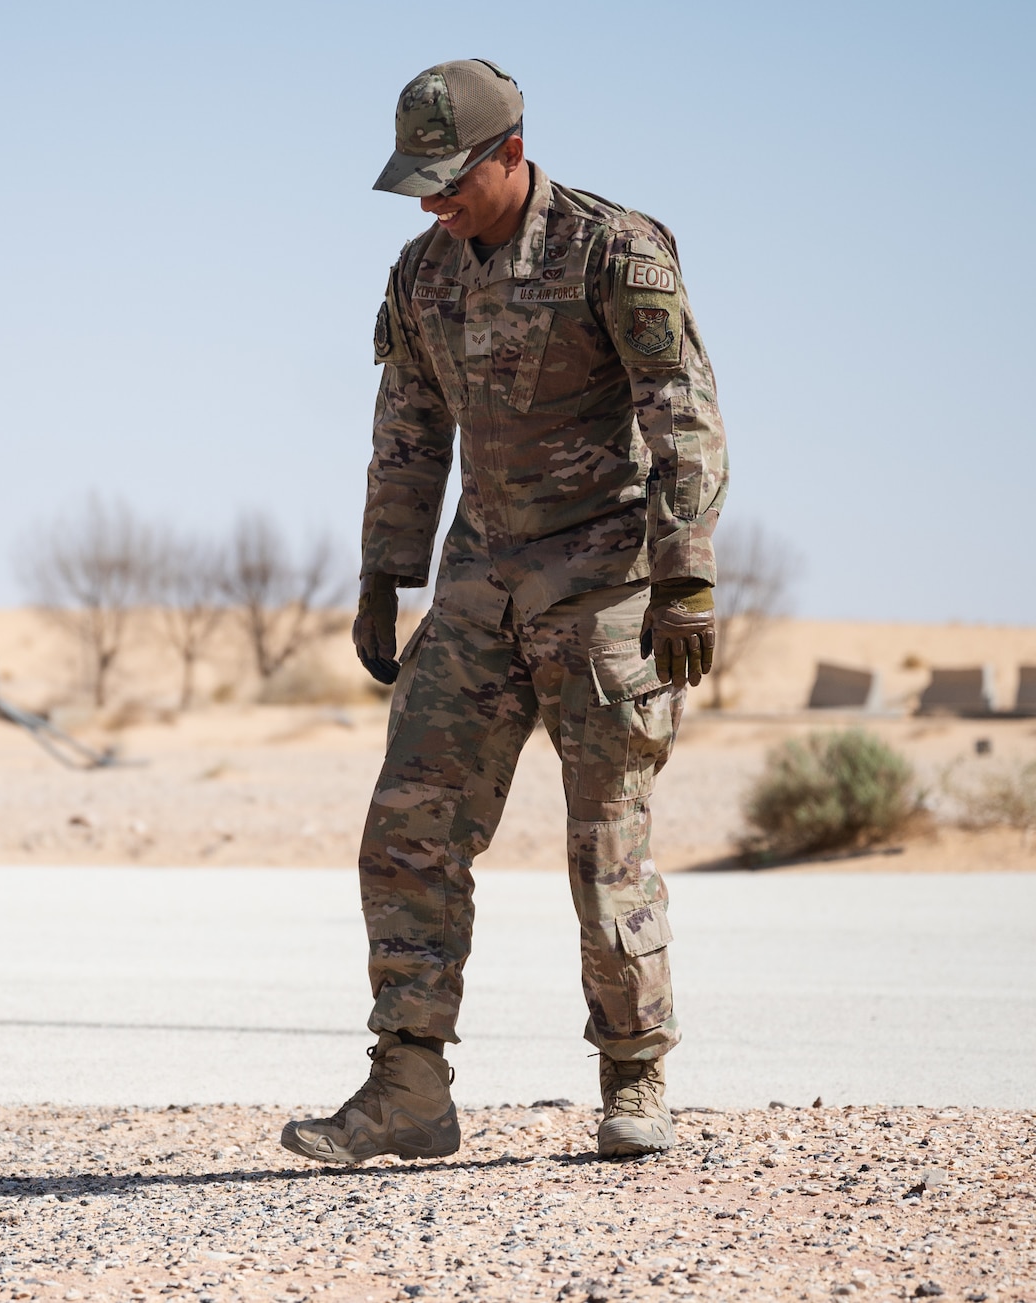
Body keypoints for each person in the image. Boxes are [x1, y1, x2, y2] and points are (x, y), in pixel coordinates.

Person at [280, 59, 726, 1165]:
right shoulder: (420, 272)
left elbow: (681, 411)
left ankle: (633, 1075)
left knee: (602, 840)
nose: (433, 201)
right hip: (481, 575)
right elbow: (408, 424)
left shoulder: (613, 251)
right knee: (406, 828)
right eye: (419, 183)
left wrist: (683, 574)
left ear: (510, 151)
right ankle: (407, 1089)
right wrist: (386, 571)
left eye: (449, 179)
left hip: (605, 574)